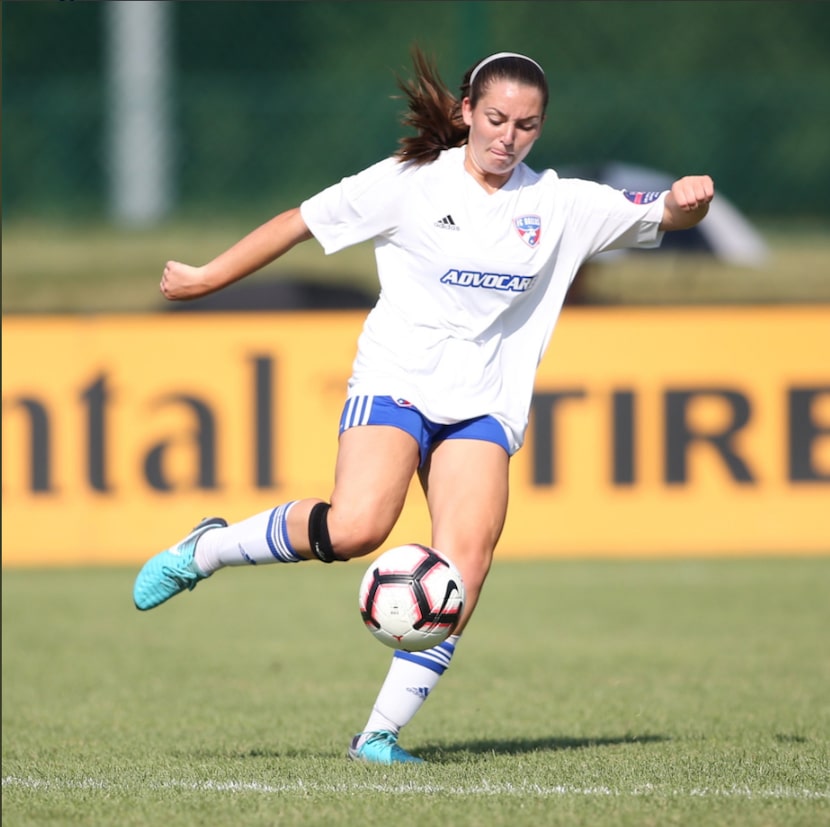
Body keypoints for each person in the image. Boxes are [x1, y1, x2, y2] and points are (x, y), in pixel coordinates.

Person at [133, 48, 714, 764]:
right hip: (398, 378)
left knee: (466, 560)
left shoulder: (559, 204)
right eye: (496, 118)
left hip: (483, 404)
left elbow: (663, 216)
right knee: (356, 527)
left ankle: (378, 735)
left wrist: (689, 204)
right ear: (468, 111)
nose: (508, 137)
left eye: (526, 126)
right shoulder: (408, 184)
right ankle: (208, 547)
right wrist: (204, 279)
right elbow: (299, 221)